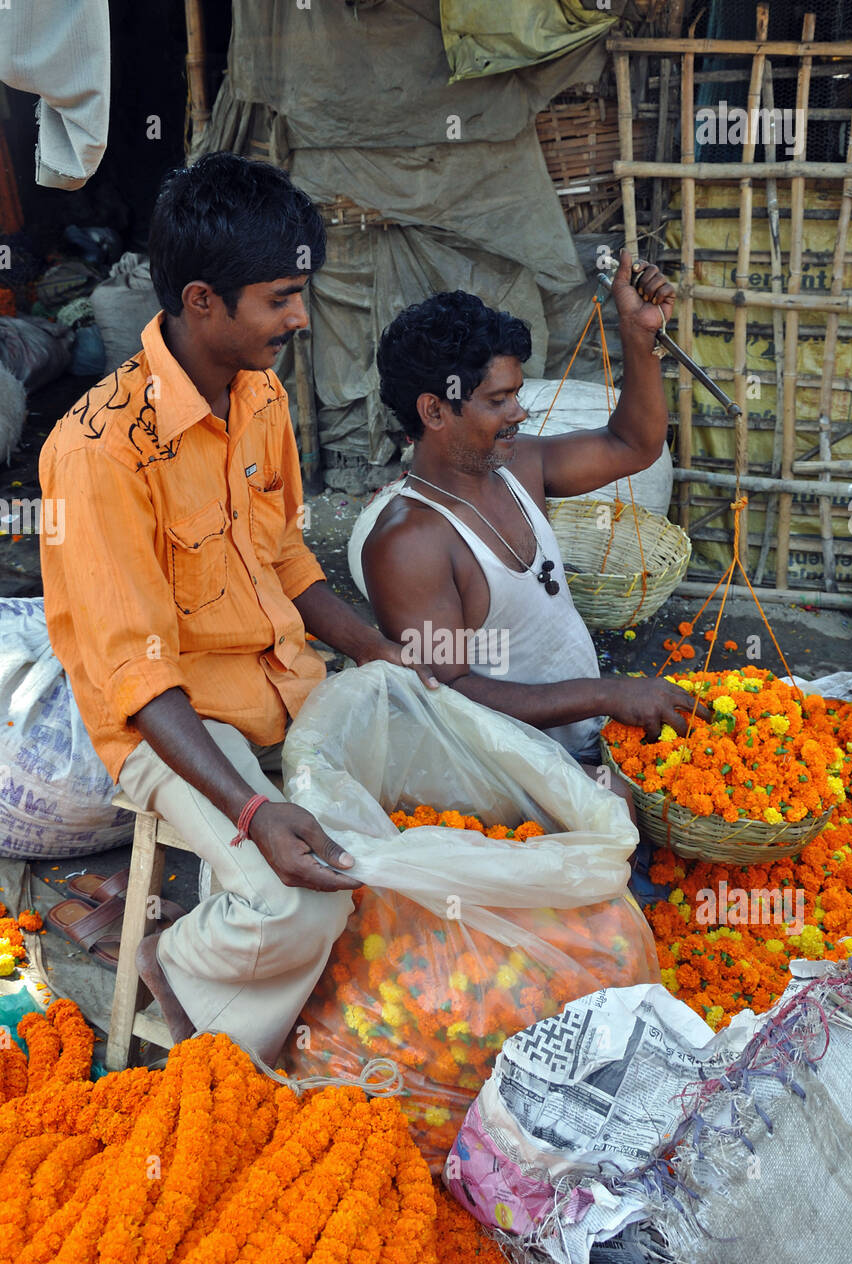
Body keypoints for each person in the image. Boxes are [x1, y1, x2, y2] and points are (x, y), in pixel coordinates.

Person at [39, 153, 432, 1062]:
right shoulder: (98, 452)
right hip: (170, 727)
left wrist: (378, 651)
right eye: (281, 297)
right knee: (297, 900)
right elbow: (138, 679)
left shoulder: (258, 395)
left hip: (284, 686)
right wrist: (252, 815)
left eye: (302, 292)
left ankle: (243, 972)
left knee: (419, 828)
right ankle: (179, 979)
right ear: (202, 301)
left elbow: (287, 555)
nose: (300, 317)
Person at [364, 254, 703, 768]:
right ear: (434, 410)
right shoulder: (409, 542)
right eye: (499, 400)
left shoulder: (519, 466)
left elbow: (633, 444)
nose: (520, 413)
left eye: (517, 395)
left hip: (590, 743)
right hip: (512, 776)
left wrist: (639, 334)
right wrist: (606, 694)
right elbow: (446, 692)